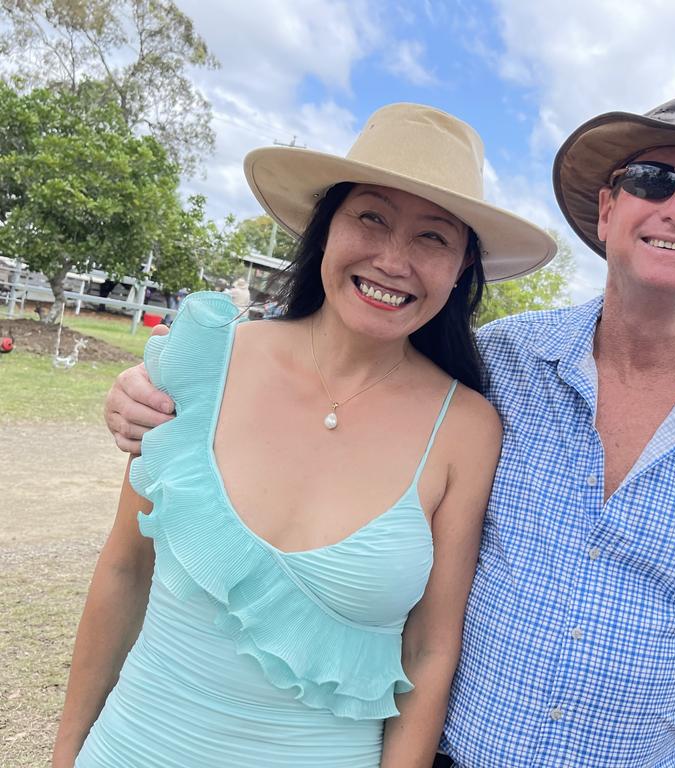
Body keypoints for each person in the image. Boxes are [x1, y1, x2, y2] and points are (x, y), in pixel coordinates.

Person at [103, 91, 675, 767]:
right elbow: (353, 359)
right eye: (652, 178)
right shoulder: (499, 365)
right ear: (608, 211)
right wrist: (149, 395)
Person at [53, 103, 556, 768]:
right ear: (327, 227)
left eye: (432, 238)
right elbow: (123, 570)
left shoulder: (467, 428)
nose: (392, 259)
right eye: (370, 216)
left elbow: (429, 650)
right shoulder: (201, 361)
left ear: (463, 267)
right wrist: (65, 754)